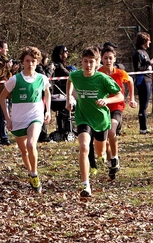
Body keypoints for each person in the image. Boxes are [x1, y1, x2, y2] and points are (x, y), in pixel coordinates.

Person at [66, 47, 123, 197]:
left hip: (101, 121)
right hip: (83, 117)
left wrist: (106, 100)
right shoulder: (76, 75)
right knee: (84, 147)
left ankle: (104, 155)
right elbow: (69, 80)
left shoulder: (103, 79)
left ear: (97, 63)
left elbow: (120, 96)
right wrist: (69, 98)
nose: (88, 65)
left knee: (100, 152)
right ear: (82, 62)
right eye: (85, 61)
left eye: (91, 62)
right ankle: (86, 186)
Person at [0, 46, 51, 192]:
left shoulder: (42, 78)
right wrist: (8, 119)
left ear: (38, 62)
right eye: (28, 61)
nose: (30, 64)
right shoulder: (15, 80)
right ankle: (30, 173)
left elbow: (47, 92)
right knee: (24, 151)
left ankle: (34, 174)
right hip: (18, 119)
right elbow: (2, 98)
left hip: (36, 117)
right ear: (23, 62)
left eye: (33, 61)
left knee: (31, 144)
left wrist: (47, 111)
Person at [98, 45, 137, 179]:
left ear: (114, 59)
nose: (108, 61)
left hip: (117, 107)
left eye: (110, 58)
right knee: (105, 140)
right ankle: (111, 163)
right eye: (105, 58)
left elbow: (130, 81)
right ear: (101, 59)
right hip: (101, 108)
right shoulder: (98, 73)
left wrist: (131, 98)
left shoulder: (119, 73)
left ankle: (115, 157)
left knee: (111, 131)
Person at [0, 40, 19, 146]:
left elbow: (7, 76)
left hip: (8, 92)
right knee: (2, 116)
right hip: (0, 93)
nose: (7, 50)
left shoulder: (4, 60)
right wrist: (6, 68)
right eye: (5, 48)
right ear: (0, 49)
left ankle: (3, 136)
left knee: (6, 115)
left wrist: (12, 70)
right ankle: (2, 137)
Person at [132, 32, 153, 134]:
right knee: (143, 106)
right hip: (143, 81)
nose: (150, 42)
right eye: (148, 40)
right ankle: (143, 128)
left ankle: (144, 127)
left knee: (145, 106)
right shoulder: (137, 53)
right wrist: (149, 63)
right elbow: (138, 69)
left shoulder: (145, 52)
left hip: (148, 80)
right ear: (144, 41)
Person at [35, 50, 55, 142]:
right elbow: (45, 77)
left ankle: (42, 133)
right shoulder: (39, 68)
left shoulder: (42, 67)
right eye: (46, 59)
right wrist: (50, 69)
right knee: (42, 112)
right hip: (42, 93)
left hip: (45, 92)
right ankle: (42, 135)